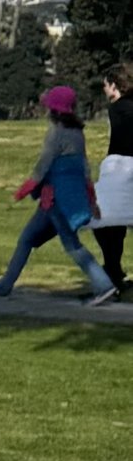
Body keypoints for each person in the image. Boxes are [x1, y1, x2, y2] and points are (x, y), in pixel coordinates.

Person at [0, 84, 114, 302]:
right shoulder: (78, 133)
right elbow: (84, 167)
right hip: (67, 198)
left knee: (71, 245)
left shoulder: (56, 133)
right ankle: (3, 286)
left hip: (55, 200)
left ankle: (103, 285)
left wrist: (25, 189)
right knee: (28, 239)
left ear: (54, 109)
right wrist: (91, 197)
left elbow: (44, 165)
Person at [95, 69, 133, 293]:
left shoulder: (117, 110)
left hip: (121, 167)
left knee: (104, 220)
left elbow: (117, 141)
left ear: (114, 85)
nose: (104, 88)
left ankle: (112, 270)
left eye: (106, 84)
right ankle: (114, 271)